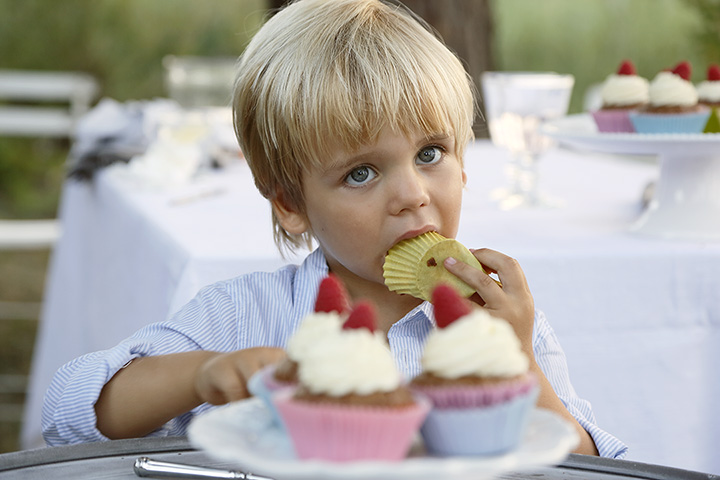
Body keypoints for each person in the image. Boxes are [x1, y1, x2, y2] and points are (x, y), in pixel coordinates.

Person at [42, 0, 627, 458]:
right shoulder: (245, 316)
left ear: (465, 163)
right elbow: (69, 410)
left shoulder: (501, 325)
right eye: (361, 173)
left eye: (430, 154)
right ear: (290, 203)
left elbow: (591, 466)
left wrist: (520, 363)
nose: (412, 195)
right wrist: (200, 375)